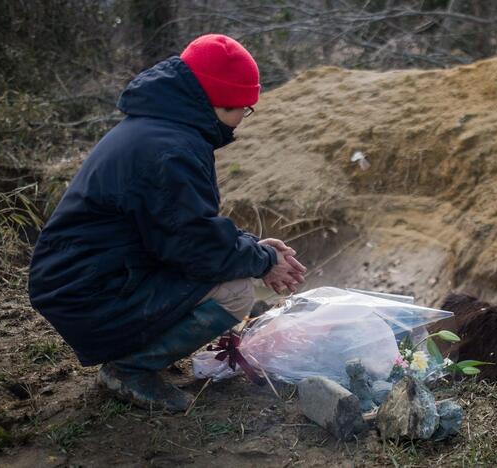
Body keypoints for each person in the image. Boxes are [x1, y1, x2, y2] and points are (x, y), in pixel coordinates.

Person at [28, 34, 306, 412]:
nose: (243, 118)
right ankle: (128, 369)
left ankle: (138, 352)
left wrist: (257, 247)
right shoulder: (171, 150)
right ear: (217, 102)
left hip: (85, 277)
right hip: (87, 292)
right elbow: (195, 249)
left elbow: (184, 225)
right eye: (244, 108)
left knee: (227, 273)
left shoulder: (159, 128)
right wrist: (261, 261)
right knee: (235, 292)